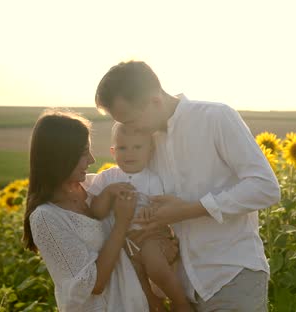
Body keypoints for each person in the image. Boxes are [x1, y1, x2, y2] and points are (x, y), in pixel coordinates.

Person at [94, 60, 281, 311]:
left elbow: (265, 187)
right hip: (182, 287)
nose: (129, 129)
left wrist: (189, 209)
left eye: (131, 120)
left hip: (231, 275)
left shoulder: (216, 117)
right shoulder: (147, 144)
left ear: (155, 101)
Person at [22, 109, 151, 311]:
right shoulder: (46, 218)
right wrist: (121, 223)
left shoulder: (95, 188)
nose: (91, 160)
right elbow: (94, 284)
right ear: (60, 156)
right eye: (83, 153)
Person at [87, 122, 191, 311]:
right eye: (123, 148)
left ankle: (180, 302)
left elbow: (161, 208)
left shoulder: (152, 178)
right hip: (123, 243)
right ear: (113, 151)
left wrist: (150, 212)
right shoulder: (107, 178)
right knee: (137, 280)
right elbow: (96, 212)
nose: (130, 153)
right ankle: (154, 304)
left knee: (156, 267)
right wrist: (108, 193)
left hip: (150, 235)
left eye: (137, 147)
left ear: (150, 151)